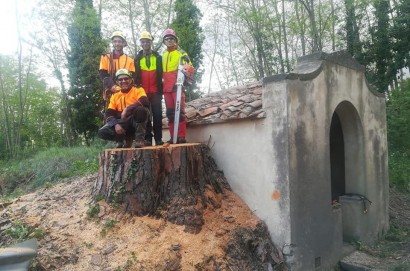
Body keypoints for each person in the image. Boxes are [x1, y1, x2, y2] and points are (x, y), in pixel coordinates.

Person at [97, 69, 149, 148]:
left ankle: (139, 140)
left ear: (131, 80)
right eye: (120, 79)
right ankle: (122, 140)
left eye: (126, 78)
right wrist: (115, 125)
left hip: (135, 120)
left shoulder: (138, 90)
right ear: (117, 82)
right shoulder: (115, 96)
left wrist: (127, 109)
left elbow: (145, 101)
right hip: (122, 123)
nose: (123, 81)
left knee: (141, 110)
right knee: (102, 132)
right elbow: (109, 113)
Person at [161, 28, 193, 144]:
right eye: (167, 39)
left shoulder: (181, 53)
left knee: (179, 112)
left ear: (175, 40)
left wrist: (184, 74)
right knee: (170, 113)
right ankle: (172, 136)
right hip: (166, 88)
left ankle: (181, 136)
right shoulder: (163, 55)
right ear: (164, 41)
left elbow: (189, 68)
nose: (169, 41)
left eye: (171, 39)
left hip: (177, 86)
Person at [134, 31, 164, 146]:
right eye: (143, 41)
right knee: (145, 115)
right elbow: (135, 76)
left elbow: (162, 73)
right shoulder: (137, 59)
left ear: (151, 42)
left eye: (147, 41)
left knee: (157, 115)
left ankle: (158, 139)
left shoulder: (158, 57)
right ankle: (147, 139)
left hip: (156, 91)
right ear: (141, 43)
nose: (145, 43)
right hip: (143, 92)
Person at [99, 31, 135, 103]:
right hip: (110, 92)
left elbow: (132, 76)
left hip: (126, 92)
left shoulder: (130, 60)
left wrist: (124, 88)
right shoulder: (105, 57)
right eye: (115, 41)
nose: (117, 44)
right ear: (112, 43)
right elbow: (103, 75)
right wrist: (112, 86)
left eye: (119, 41)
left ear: (123, 43)